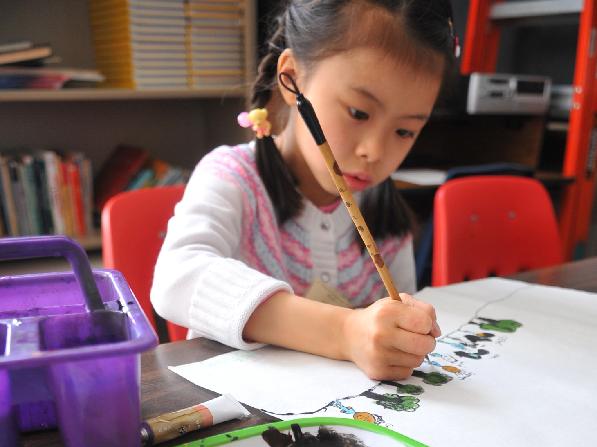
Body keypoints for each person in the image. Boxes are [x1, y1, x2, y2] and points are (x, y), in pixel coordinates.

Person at [151, 0, 459, 381]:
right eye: (359, 113)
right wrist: (344, 332)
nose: (374, 152)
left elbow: (390, 326)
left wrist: (401, 336)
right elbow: (177, 279)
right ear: (293, 79)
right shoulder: (235, 177)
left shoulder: (383, 209)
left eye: (405, 131)